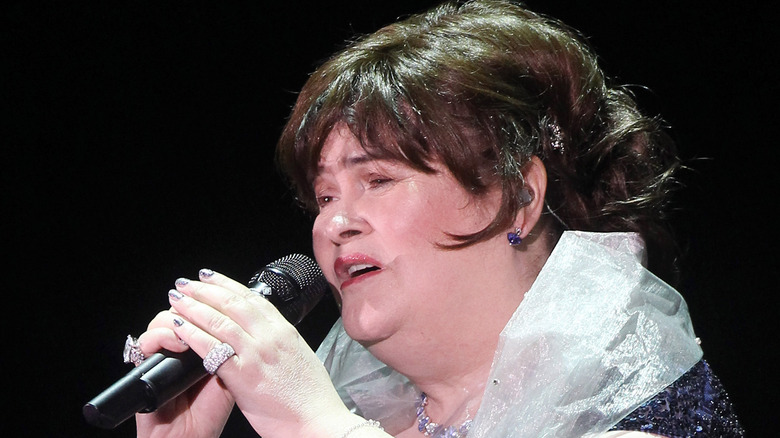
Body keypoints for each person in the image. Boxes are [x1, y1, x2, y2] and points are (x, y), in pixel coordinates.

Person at [132, 1, 744, 437]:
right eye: (322, 197)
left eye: (377, 179)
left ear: (517, 197)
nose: (335, 223)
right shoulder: (361, 411)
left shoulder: (634, 415)